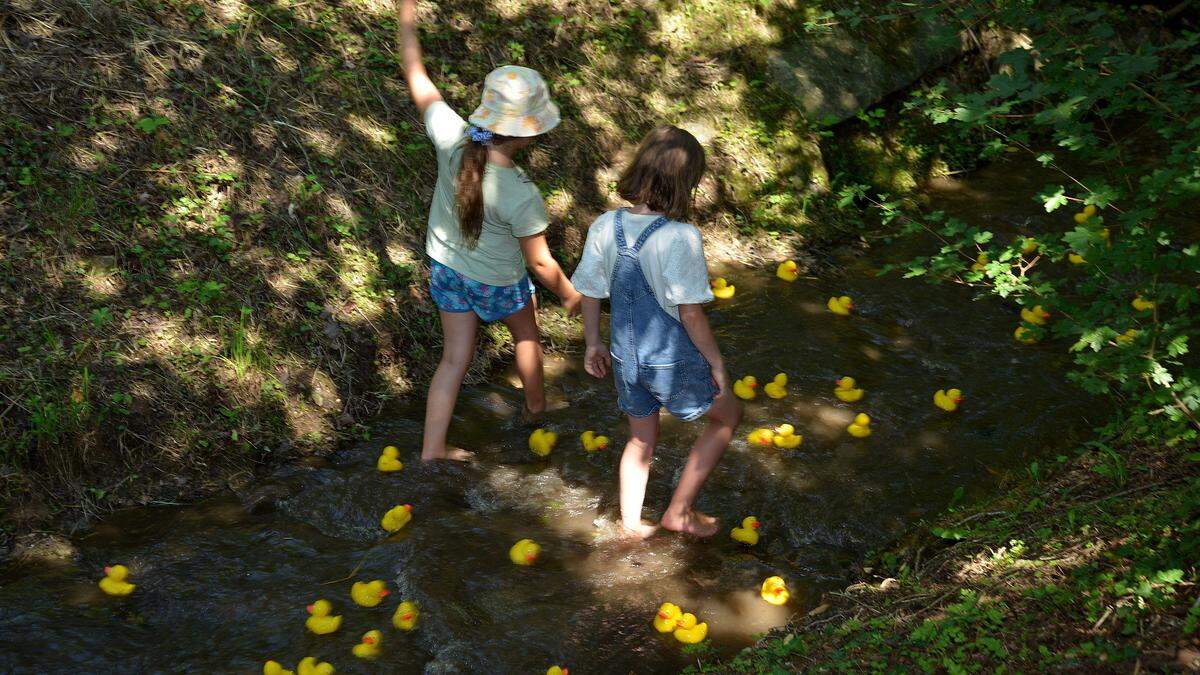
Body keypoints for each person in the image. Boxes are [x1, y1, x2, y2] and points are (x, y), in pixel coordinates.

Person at [398, 0, 582, 461]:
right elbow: (540, 261)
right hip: (498, 281)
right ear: (527, 134)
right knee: (526, 336)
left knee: (453, 359)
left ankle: (432, 448)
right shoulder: (521, 193)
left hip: (445, 270)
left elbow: (416, 76)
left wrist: (406, 16)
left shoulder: (453, 137)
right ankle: (536, 409)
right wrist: (571, 294)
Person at [572, 126, 742, 538]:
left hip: (624, 358)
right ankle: (679, 511)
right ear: (687, 185)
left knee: (640, 440)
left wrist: (592, 341)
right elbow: (691, 315)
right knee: (728, 416)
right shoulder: (681, 237)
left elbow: (590, 290)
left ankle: (630, 526)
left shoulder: (604, 225)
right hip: (668, 358)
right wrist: (716, 364)